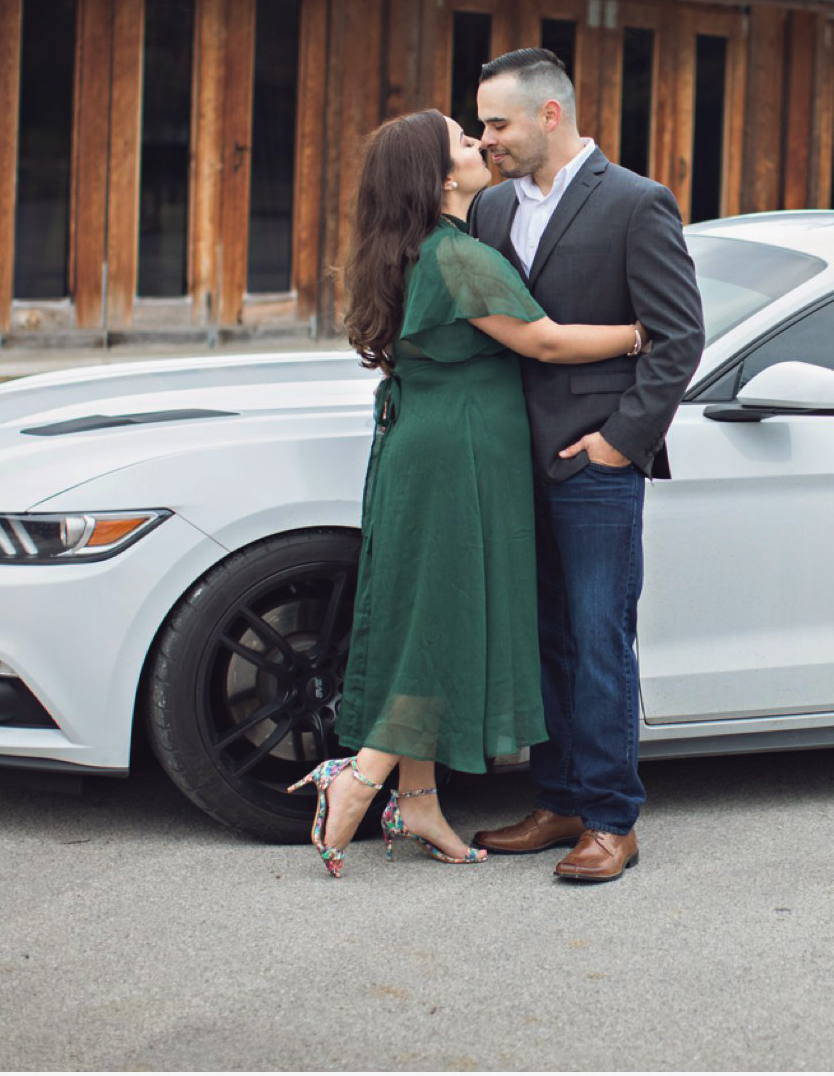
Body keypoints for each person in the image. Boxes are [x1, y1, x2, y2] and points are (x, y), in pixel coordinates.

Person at [289, 109, 648, 877]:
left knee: (425, 609)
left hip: (427, 442)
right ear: (443, 177)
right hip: (456, 457)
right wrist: (636, 335)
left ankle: (418, 798)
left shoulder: (416, 249)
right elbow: (545, 340)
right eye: (463, 139)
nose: (480, 144)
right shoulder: (458, 256)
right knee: (445, 616)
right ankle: (360, 776)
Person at [467, 48, 705, 883]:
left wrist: (618, 441)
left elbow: (678, 338)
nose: (486, 137)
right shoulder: (491, 211)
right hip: (511, 464)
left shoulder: (637, 203)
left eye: (497, 122)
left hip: (596, 466)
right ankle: (559, 797)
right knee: (546, 639)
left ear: (549, 115)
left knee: (602, 636)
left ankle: (612, 817)